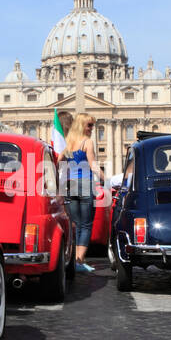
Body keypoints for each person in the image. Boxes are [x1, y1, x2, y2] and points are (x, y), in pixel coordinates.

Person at [63, 112, 103, 272]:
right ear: (82, 125)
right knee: (86, 225)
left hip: (71, 185)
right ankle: (79, 260)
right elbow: (93, 165)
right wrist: (105, 179)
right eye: (90, 125)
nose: (92, 128)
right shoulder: (87, 142)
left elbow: (59, 159)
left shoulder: (68, 143)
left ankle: (75, 261)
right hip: (85, 184)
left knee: (75, 224)